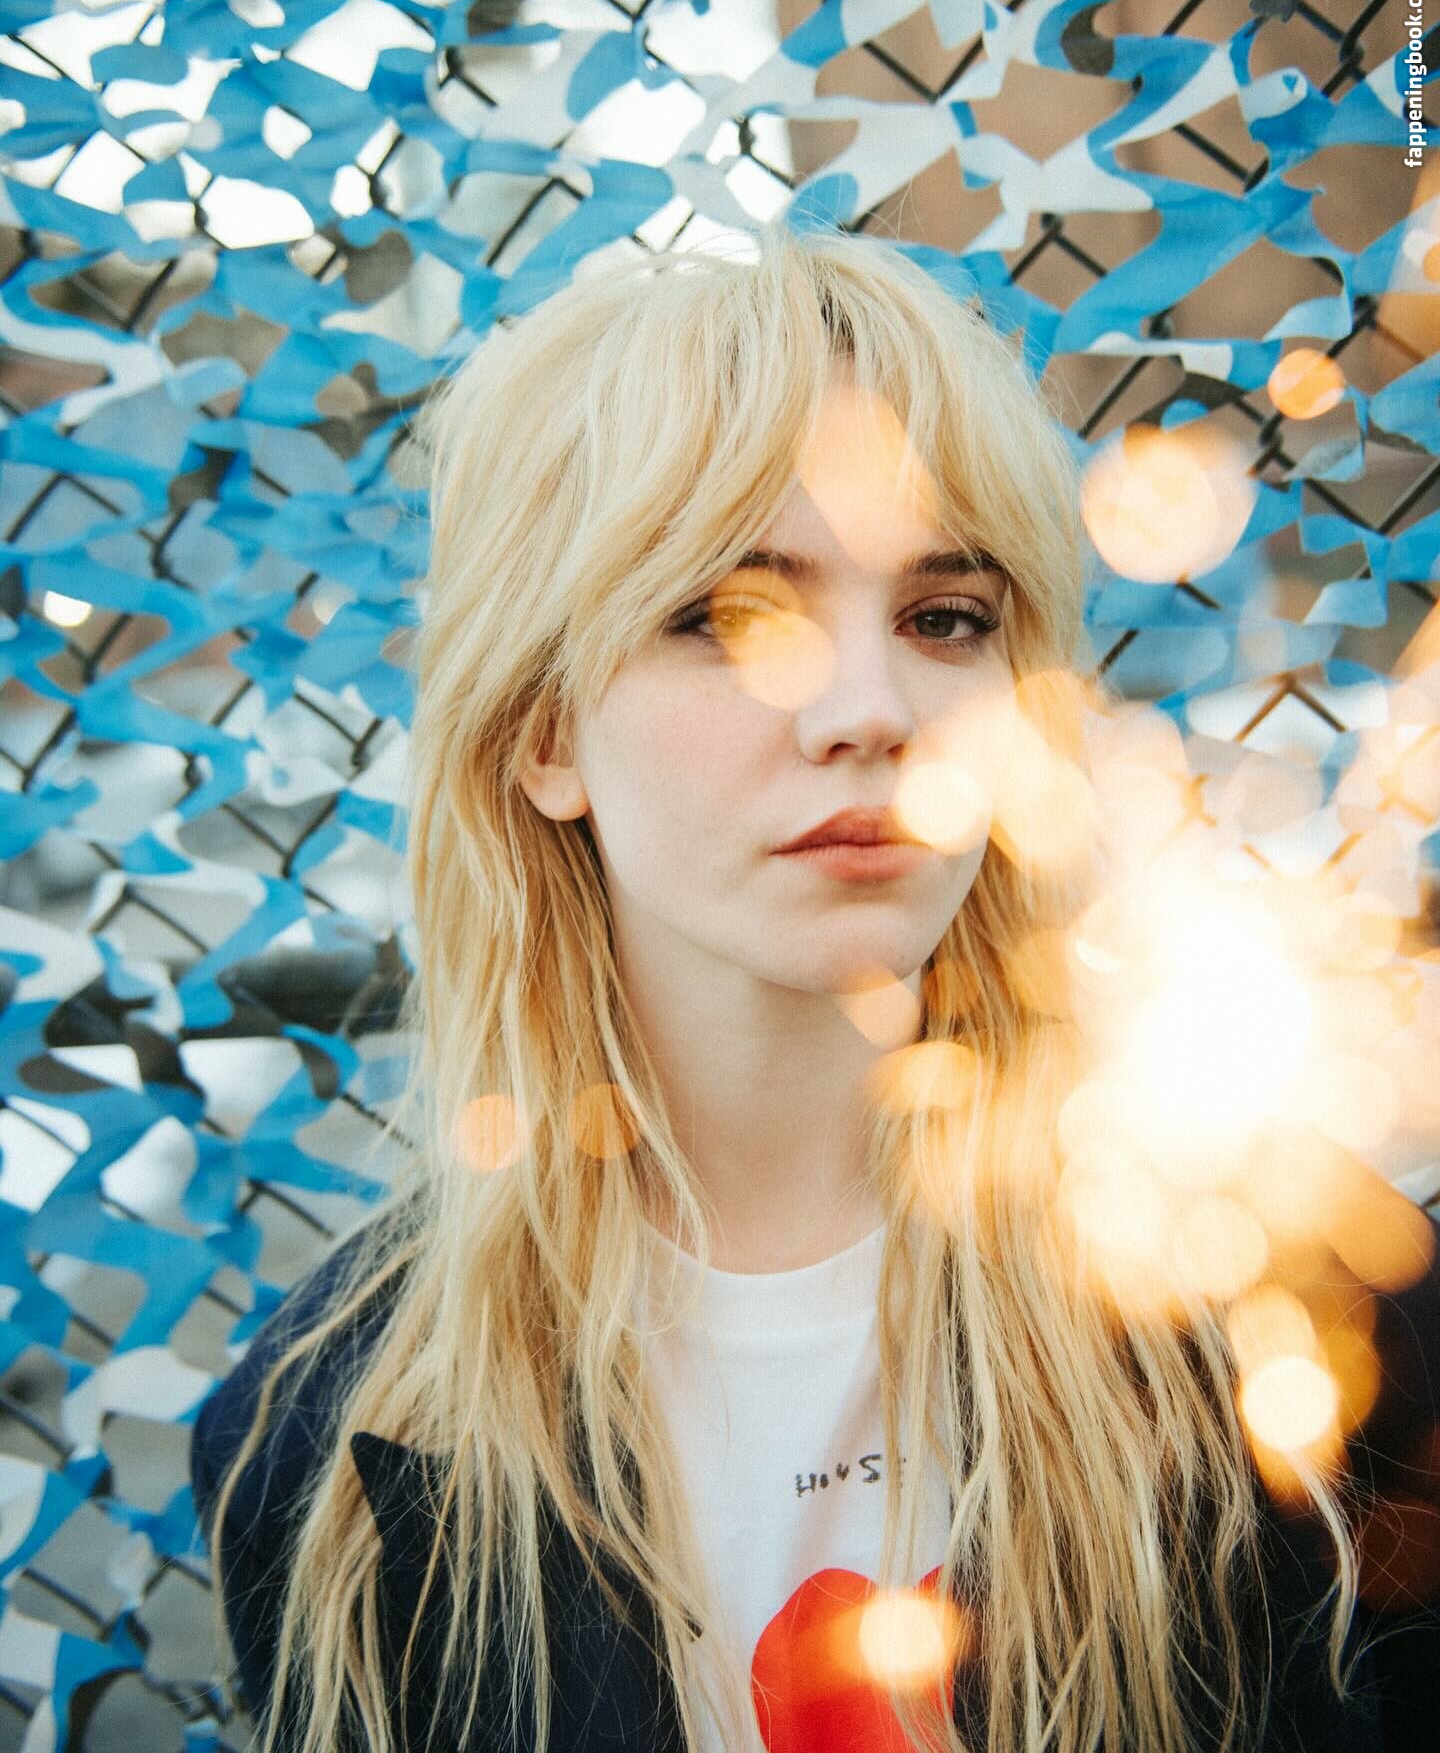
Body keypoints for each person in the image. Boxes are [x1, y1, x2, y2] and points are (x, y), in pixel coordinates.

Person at [189, 226, 1440, 1753]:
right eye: (732, 616)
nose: (867, 709)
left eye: (946, 618)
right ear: (543, 734)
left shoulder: (1310, 1310)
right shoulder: (320, 1441)